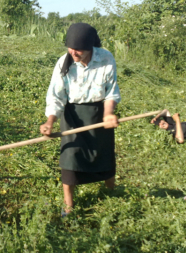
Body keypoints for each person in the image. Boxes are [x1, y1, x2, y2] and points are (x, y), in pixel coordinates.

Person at [39, 23, 121, 216]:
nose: (74, 53)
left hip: (99, 114)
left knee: (104, 156)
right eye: (70, 48)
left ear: (90, 47)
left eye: (79, 49)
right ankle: (68, 205)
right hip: (72, 116)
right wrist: (49, 122)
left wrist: (108, 114)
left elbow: (111, 92)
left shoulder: (106, 58)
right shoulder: (63, 63)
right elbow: (56, 96)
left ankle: (111, 193)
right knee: (70, 158)